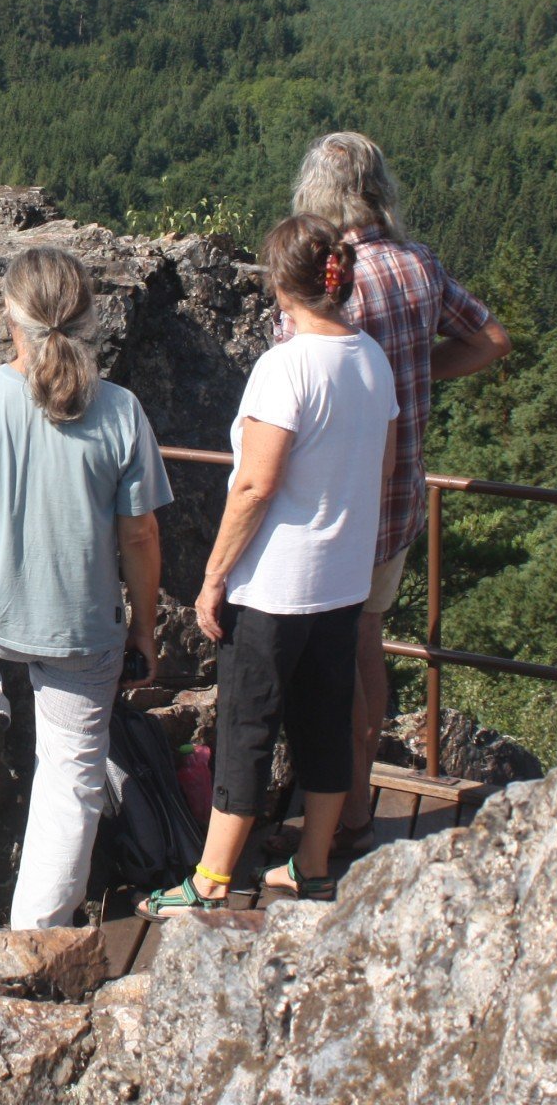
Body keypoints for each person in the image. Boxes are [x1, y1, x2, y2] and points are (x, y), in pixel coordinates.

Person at [0, 245, 173, 931]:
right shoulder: (122, 411)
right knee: (71, 780)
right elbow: (140, 538)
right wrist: (142, 630)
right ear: (87, 319)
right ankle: (33, 939)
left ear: (7, 316)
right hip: (83, 632)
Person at [142, 216, 397, 915]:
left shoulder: (284, 368)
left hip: (277, 583)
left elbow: (255, 484)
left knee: (248, 727)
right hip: (342, 581)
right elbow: (380, 466)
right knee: (323, 721)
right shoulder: (371, 358)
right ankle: (311, 865)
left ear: (279, 285)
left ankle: (213, 878)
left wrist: (215, 576)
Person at [290, 132, 511, 850]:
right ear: (380, 188)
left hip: (330, 506)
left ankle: (335, 816)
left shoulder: (329, 281)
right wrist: (416, 368)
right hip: (399, 501)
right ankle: (356, 802)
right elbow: (490, 341)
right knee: (367, 644)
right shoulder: (419, 266)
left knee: (326, 661)